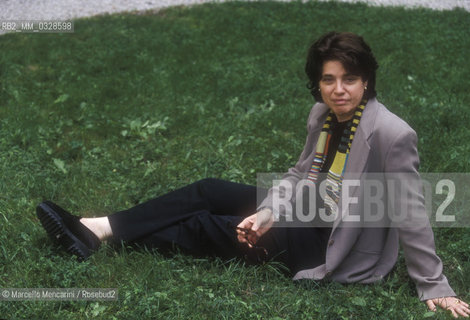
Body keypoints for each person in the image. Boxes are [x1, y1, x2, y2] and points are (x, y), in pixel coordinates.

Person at [37, 31, 469, 317]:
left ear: (367, 81)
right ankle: (97, 228)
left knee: (209, 228)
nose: (339, 90)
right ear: (317, 83)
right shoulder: (322, 115)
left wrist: (435, 285)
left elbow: (411, 210)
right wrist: (269, 211)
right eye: (329, 79)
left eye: (350, 79)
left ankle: (95, 235)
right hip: (308, 209)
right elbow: (301, 175)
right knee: (209, 190)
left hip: (333, 244)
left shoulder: (393, 134)